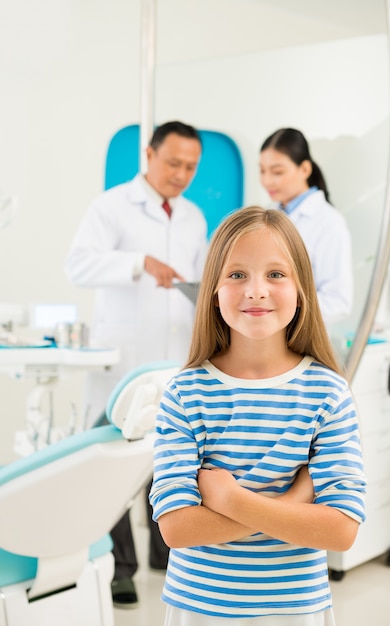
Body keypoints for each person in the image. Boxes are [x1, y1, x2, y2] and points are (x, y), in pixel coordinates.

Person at [149, 206, 366, 625]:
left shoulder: (328, 394)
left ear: (302, 287)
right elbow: (177, 530)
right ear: (212, 288)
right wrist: (294, 502)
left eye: (276, 274)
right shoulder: (185, 393)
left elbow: (341, 531)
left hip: (296, 610)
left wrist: (231, 499)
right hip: (199, 609)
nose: (256, 290)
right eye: (236, 275)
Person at [64, 120, 208, 609]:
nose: (181, 174)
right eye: (173, 163)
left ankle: (166, 557)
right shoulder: (110, 207)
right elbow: (77, 264)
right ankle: (120, 569)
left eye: (190, 166)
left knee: (168, 457)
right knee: (115, 463)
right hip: (123, 359)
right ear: (149, 155)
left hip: (174, 359)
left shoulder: (192, 217)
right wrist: (137, 263)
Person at [259, 128, 353, 326]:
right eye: (262, 171)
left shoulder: (329, 222)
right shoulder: (267, 214)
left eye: (277, 172)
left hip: (301, 336)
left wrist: (282, 309)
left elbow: (338, 302)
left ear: (304, 170)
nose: (267, 180)